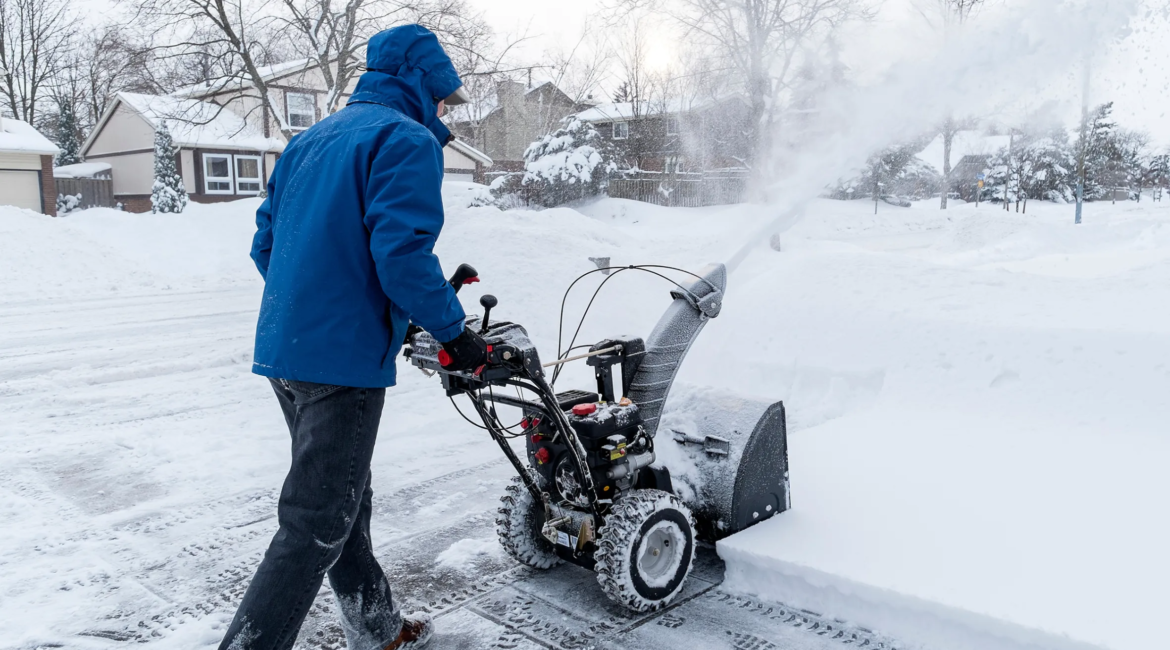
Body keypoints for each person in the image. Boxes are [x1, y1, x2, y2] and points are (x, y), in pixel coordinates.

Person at [220, 24, 488, 650]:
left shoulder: (309, 141)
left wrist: (325, 301)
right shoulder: (406, 138)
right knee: (315, 523)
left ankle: (380, 629)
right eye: (443, 96)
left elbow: (267, 245)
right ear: (422, 82)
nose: (445, 108)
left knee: (343, 501)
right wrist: (455, 332)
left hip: (286, 352)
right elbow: (401, 256)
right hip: (341, 366)